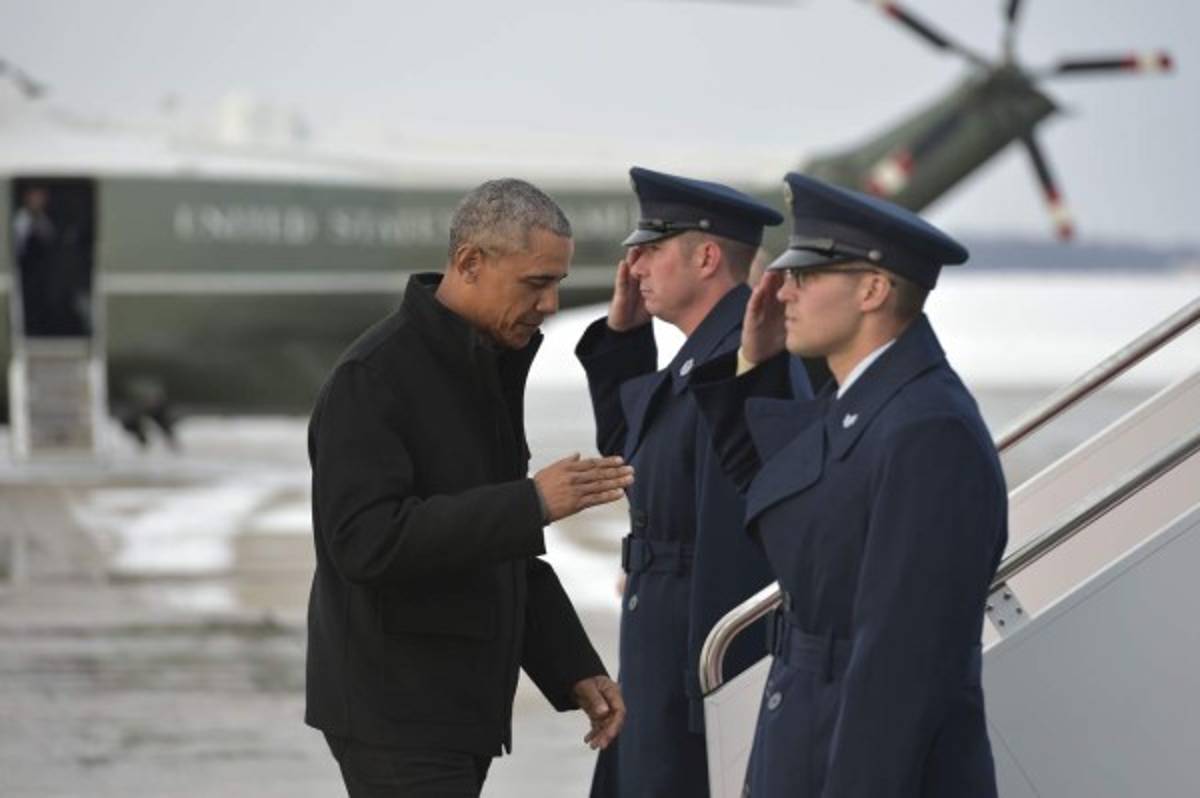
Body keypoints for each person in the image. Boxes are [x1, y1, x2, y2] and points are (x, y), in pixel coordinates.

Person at [306, 178, 630, 797]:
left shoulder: (483, 365)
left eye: (558, 283)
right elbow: (365, 543)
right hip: (394, 710)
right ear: (470, 262)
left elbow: (499, 550)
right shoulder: (372, 378)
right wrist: (531, 502)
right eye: (536, 283)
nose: (550, 304)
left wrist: (571, 665)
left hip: (453, 708)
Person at [690, 172, 1008, 797]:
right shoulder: (863, 401)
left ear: (872, 289)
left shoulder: (929, 430)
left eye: (805, 276)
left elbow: (903, 669)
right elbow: (784, 506)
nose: (781, 291)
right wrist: (757, 365)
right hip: (807, 740)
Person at [575, 166, 793, 796]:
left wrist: (713, 699)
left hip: (689, 672)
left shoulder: (742, 359)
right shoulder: (706, 353)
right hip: (663, 661)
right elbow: (638, 459)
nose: (633, 266)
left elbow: (736, 543)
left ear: (705, 257)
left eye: (651, 249)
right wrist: (623, 337)